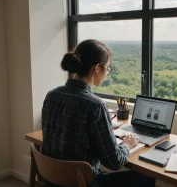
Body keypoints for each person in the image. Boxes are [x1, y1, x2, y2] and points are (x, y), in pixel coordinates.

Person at [41, 39, 155, 187]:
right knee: (147, 177)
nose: (107, 73)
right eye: (107, 68)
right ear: (96, 68)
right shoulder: (95, 105)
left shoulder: (52, 95)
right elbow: (114, 162)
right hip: (82, 183)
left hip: (51, 180)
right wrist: (127, 143)